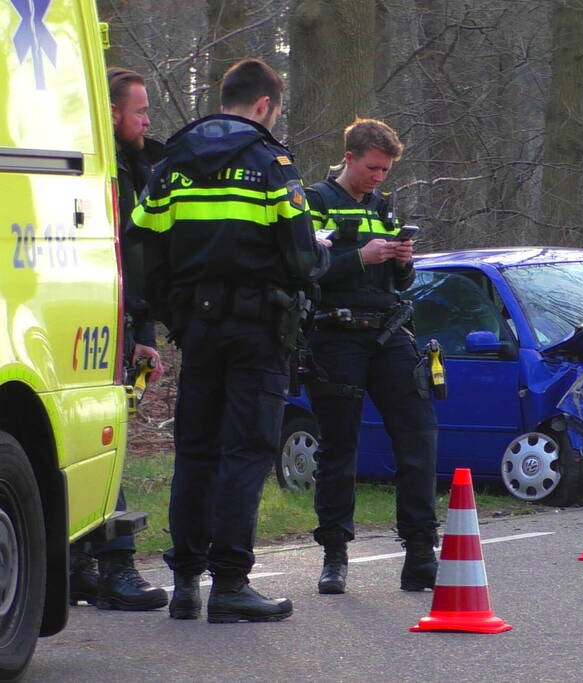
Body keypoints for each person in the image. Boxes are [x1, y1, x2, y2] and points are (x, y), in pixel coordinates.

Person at [131, 58, 329, 623]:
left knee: (195, 450)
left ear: (224, 97)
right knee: (245, 452)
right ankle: (232, 584)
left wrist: (176, 315)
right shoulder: (272, 163)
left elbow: (142, 245)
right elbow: (297, 256)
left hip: (197, 330)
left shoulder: (170, 164)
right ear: (264, 105)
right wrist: (321, 251)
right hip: (259, 330)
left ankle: (187, 582)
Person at [304, 118, 439, 595]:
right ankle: (335, 555)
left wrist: (401, 260)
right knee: (339, 446)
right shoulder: (314, 202)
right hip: (335, 333)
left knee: (418, 435)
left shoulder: (384, 208)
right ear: (350, 157)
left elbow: (403, 283)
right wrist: (362, 257)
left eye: (385, 170)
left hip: (389, 332)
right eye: (372, 168)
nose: (379, 177)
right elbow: (306, 271)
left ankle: (421, 550)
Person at [67, 67, 168, 612]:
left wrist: (144, 329)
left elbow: (138, 261)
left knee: (95, 442)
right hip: (94, 319)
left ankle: (82, 568)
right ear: (109, 113)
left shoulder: (133, 166)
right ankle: (115, 568)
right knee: (103, 443)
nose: (148, 120)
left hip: (119, 321)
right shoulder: (97, 170)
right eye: (141, 111)